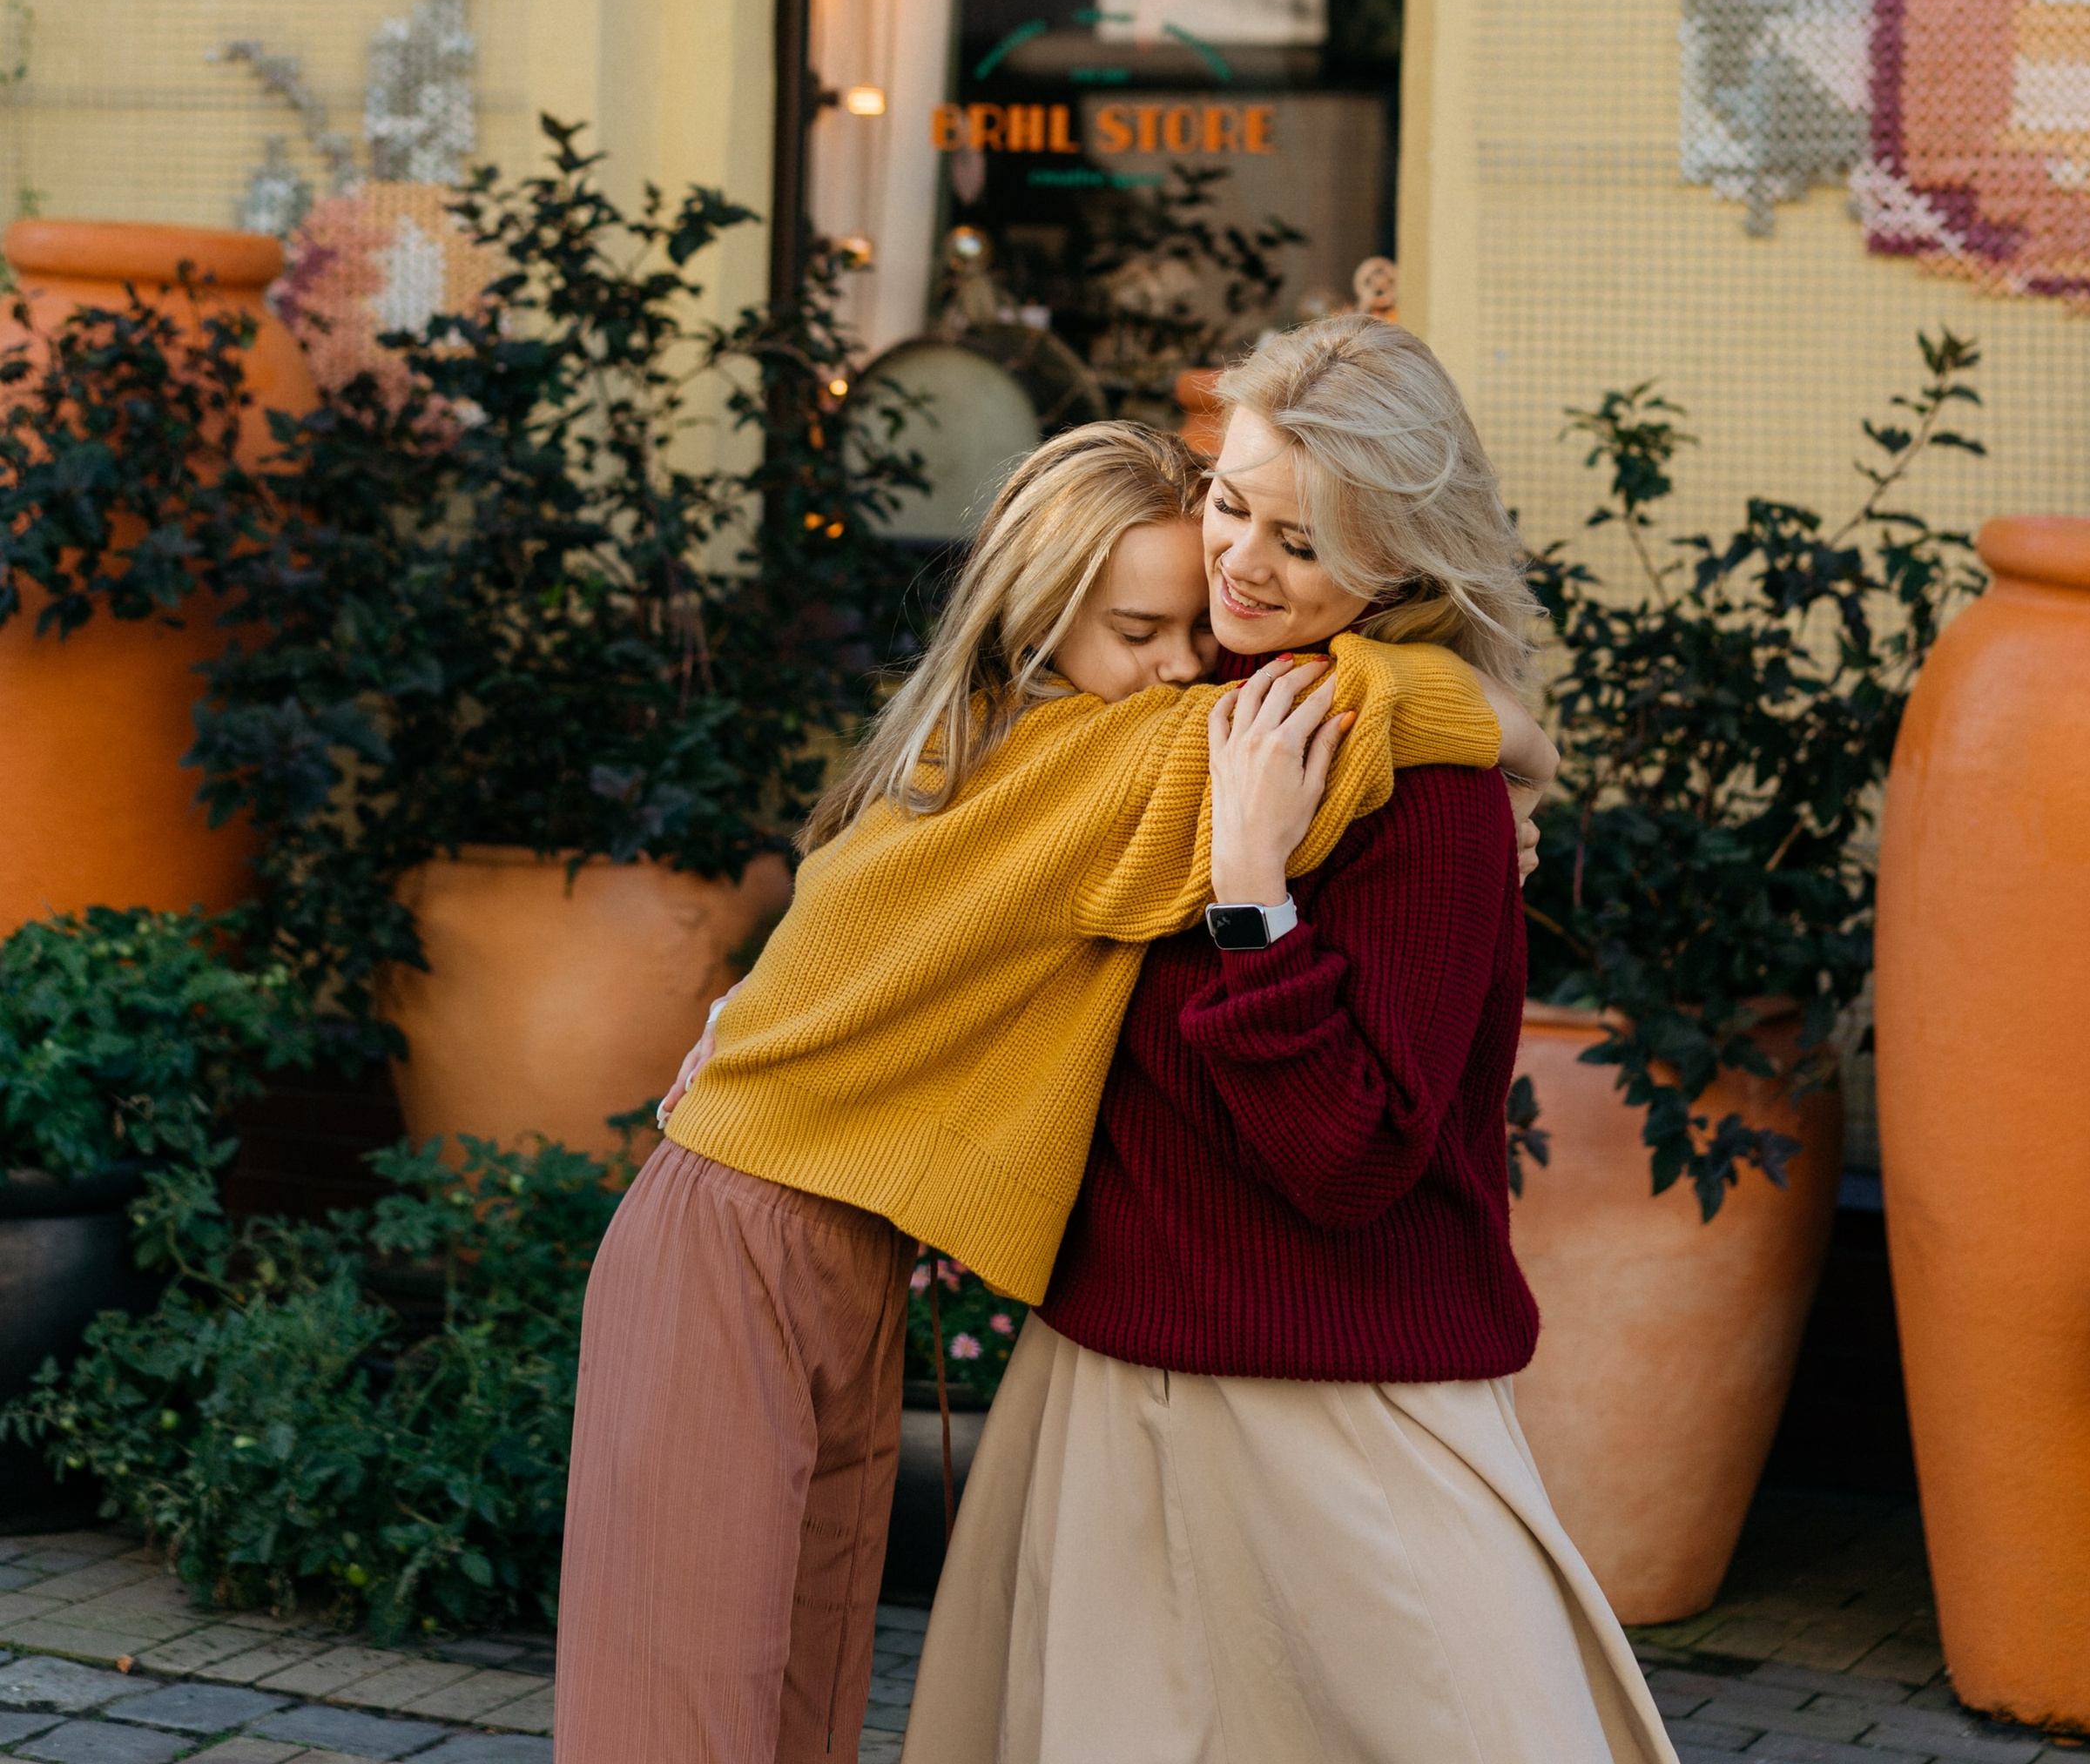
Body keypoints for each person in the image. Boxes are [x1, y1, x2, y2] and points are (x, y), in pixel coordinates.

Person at [554, 416, 1554, 1764]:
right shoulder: (1094, 761)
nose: (1180, 670)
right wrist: (1521, 741)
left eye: (1193, 633)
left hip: (823, 1238)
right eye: (1138, 631)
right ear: (1040, 624)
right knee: (678, 1712)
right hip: (744, 1237)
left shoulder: (1006, 744)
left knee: (798, 1695)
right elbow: (1377, 711)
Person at [902, 315, 1675, 1764]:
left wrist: (1255, 900)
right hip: (1108, 1383)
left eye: (1305, 544)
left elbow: (1355, 1156)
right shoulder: (1168, 711)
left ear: (1400, 567)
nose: (1245, 564)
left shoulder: (1423, 808)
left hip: (1345, 1408)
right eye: (1229, 502)